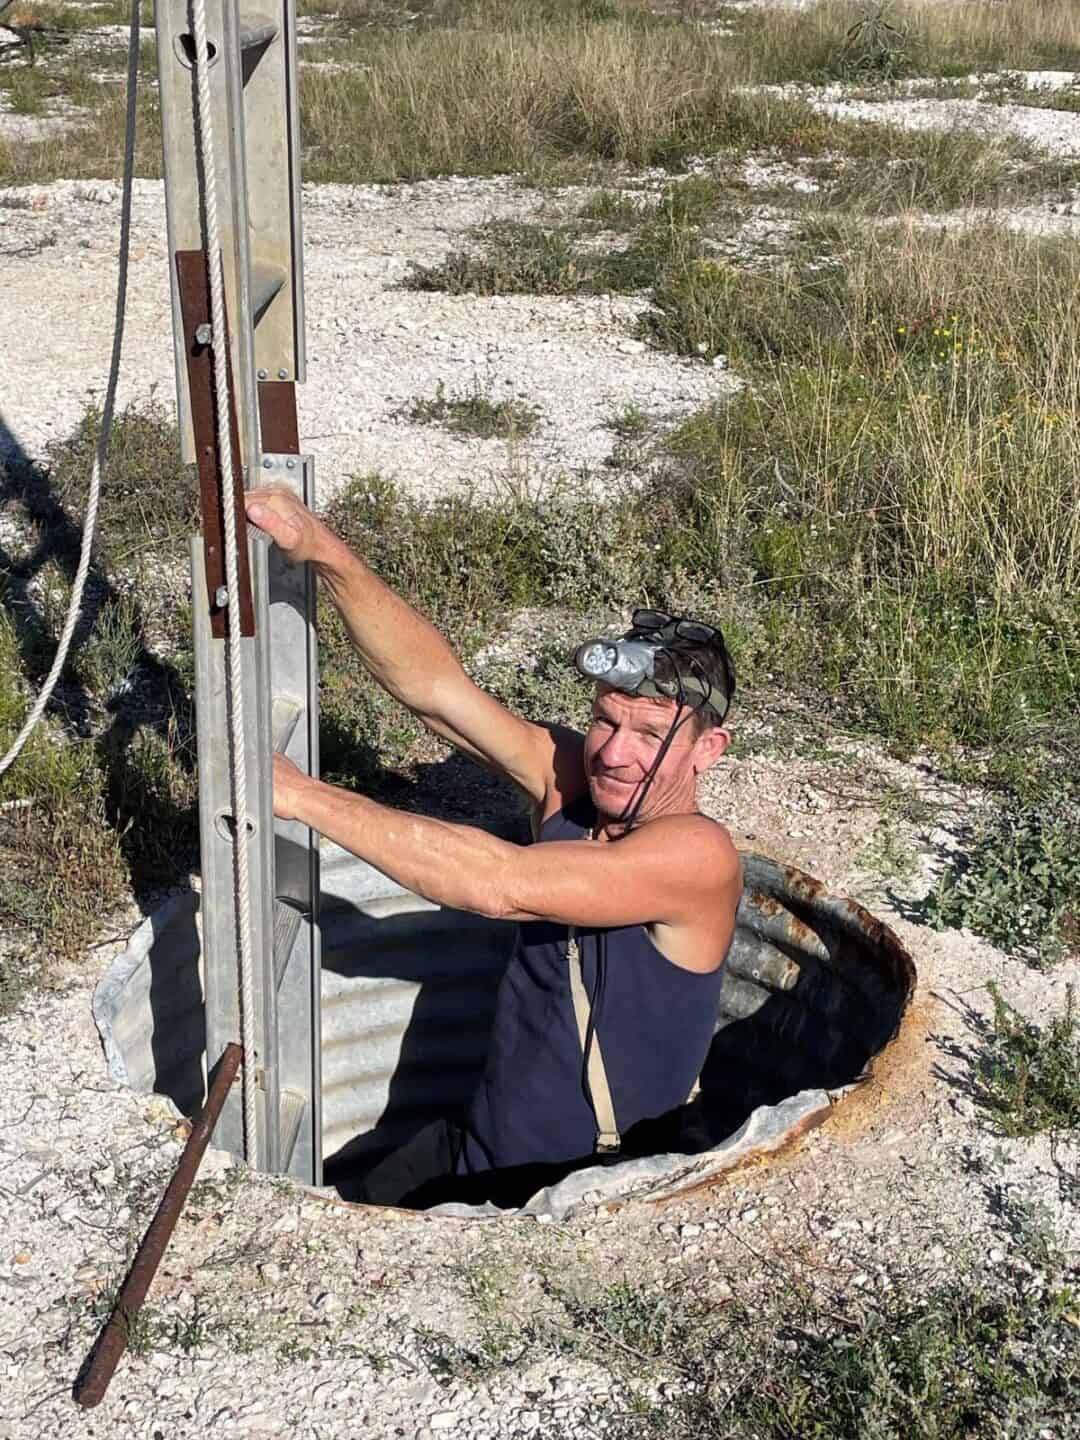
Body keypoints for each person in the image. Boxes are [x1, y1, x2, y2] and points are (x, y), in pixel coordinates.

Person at [244, 485, 742, 1207]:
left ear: (707, 750)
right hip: (474, 1144)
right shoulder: (572, 782)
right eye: (606, 721)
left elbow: (498, 884)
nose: (614, 754)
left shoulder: (698, 857)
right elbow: (436, 689)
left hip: (564, 1195)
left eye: (648, 734)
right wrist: (323, 550)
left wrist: (300, 796)